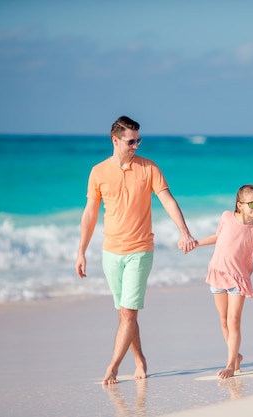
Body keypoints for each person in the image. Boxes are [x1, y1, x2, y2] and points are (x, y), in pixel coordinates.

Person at [75, 115, 197, 385]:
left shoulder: (149, 168)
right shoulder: (98, 172)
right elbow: (90, 214)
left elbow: (167, 199)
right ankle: (140, 359)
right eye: (131, 141)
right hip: (110, 253)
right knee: (124, 314)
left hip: (140, 250)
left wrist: (184, 232)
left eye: (138, 140)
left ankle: (113, 367)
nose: (136, 146)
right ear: (115, 140)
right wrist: (81, 252)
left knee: (129, 313)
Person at [195, 184, 253, 379]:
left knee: (234, 320)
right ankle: (236, 355)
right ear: (240, 205)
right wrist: (196, 243)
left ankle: (230, 364)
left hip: (239, 281)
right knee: (223, 320)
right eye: (252, 203)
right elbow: (218, 237)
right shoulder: (226, 217)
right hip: (218, 273)